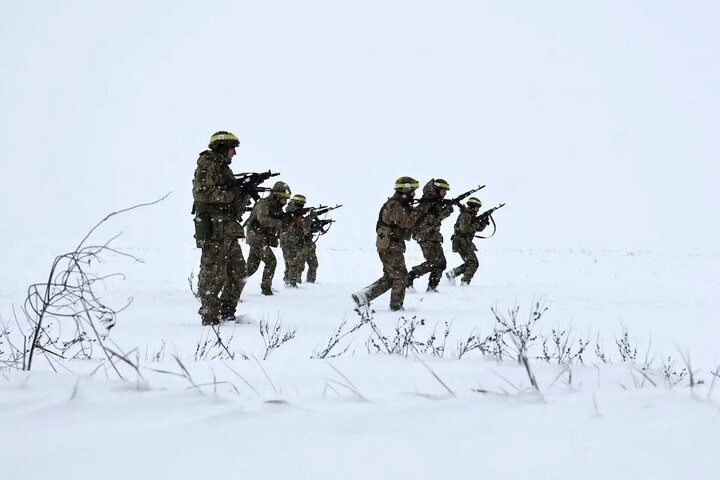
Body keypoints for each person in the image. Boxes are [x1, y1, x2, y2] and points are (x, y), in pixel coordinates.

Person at [191, 131, 250, 326]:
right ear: (222, 148)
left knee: (239, 272)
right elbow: (202, 193)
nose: (234, 153)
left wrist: (244, 191)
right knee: (214, 274)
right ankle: (210, 316)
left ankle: (227, 312)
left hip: (228, 229)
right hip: (215, 229)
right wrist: (234, 193)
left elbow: (231, 202)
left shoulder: (222, 168)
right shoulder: (208, 164)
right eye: (232, 149)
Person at [352, 177, 421, 311]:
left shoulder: (398, 204)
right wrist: (420, 210)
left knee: (391, 277)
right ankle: (396, 307)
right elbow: (407, 223)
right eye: (412, 191)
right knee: (401, 276)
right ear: (405, 191)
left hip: (390, 245)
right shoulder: (395, 205)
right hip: (390, 246)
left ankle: (364, 296)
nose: (414, 194)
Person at [245, 181, 292, 295]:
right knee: (271, 261)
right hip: (256, 237)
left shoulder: (278, 208)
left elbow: (282, 227)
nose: (285, 202)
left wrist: (289, 221)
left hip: (261, 238)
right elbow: (263, 220)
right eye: (284, 198)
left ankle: (231, 286)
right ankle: (266, 289)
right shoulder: (263, 203)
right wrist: (279, 222)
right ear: (277, 195)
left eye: (287, 199)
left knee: (251, 268)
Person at [407, 179, 454, 292]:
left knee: (441, 264)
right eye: (443, 191)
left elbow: (435, 219)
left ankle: (432, 288)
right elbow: (429, 221)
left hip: (432, 236)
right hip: (426, 237)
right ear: (437, 189)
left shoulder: (434, 202)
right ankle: (410, 277)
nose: (445, 193)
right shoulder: (427, 203)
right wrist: (446, 212)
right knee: (434, 263)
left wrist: (446, 210)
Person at [446, 197, 490, 286]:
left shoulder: (470, 215)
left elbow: (478, 228)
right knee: (473, 263)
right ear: (473, 206)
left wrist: (484, 222)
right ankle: (464, 283)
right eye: (477, 207)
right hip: (462, 242)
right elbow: (465, 229)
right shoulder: (466, 215)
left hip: (465, 242)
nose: (478, 210)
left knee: (471, 263)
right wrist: (477, 223)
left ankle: (453, 273)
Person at [279, 194, 315, 287]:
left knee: (290, 264)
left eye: (302, 205)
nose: (301, 207)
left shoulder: (293, 213)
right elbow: (302, 224)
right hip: (290, 241)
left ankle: (288, 282)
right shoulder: (291, 213)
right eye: (300, 204)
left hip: (290, 241)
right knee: (293, 263)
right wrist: (310, 217)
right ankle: (291, 284)